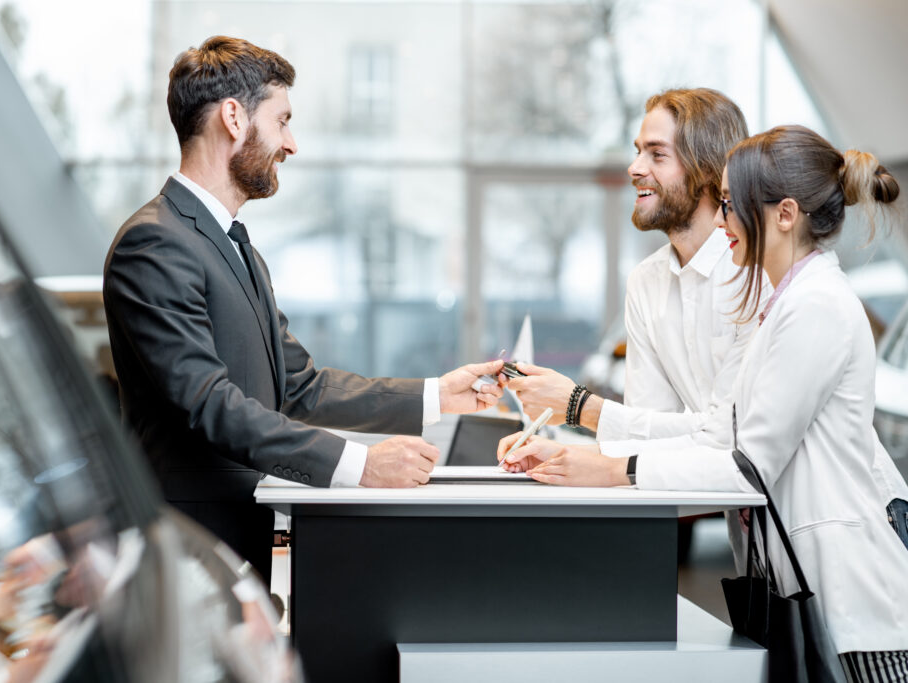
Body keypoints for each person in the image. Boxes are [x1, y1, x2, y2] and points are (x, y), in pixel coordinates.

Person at [502, 125, 908, 680]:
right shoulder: (783, 306)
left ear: (785, 215)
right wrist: (588, 446)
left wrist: (610, 468)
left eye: (730, 206)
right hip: (812, 591)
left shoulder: (815, 306)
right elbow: (718, 433)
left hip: (852, 608)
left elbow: (748, 468)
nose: (721, 223)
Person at [103, 36, 503, 581]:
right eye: (282, 120)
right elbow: (209, 404)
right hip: (187, 554)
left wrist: (439, 394)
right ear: (234, 119)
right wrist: (361, 465)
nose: (291, 144)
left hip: (235, 543)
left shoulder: (237, 248)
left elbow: (299, 388)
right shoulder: (154, 243)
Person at [505, 88, 754, 449]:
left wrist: (579, 407)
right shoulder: (646, 282)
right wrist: (562, 455)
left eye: (657, 154)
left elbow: (733, 435)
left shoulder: (756, 273)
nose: (635, 168)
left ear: (706, 170)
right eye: (638, 152)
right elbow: (647, 431)